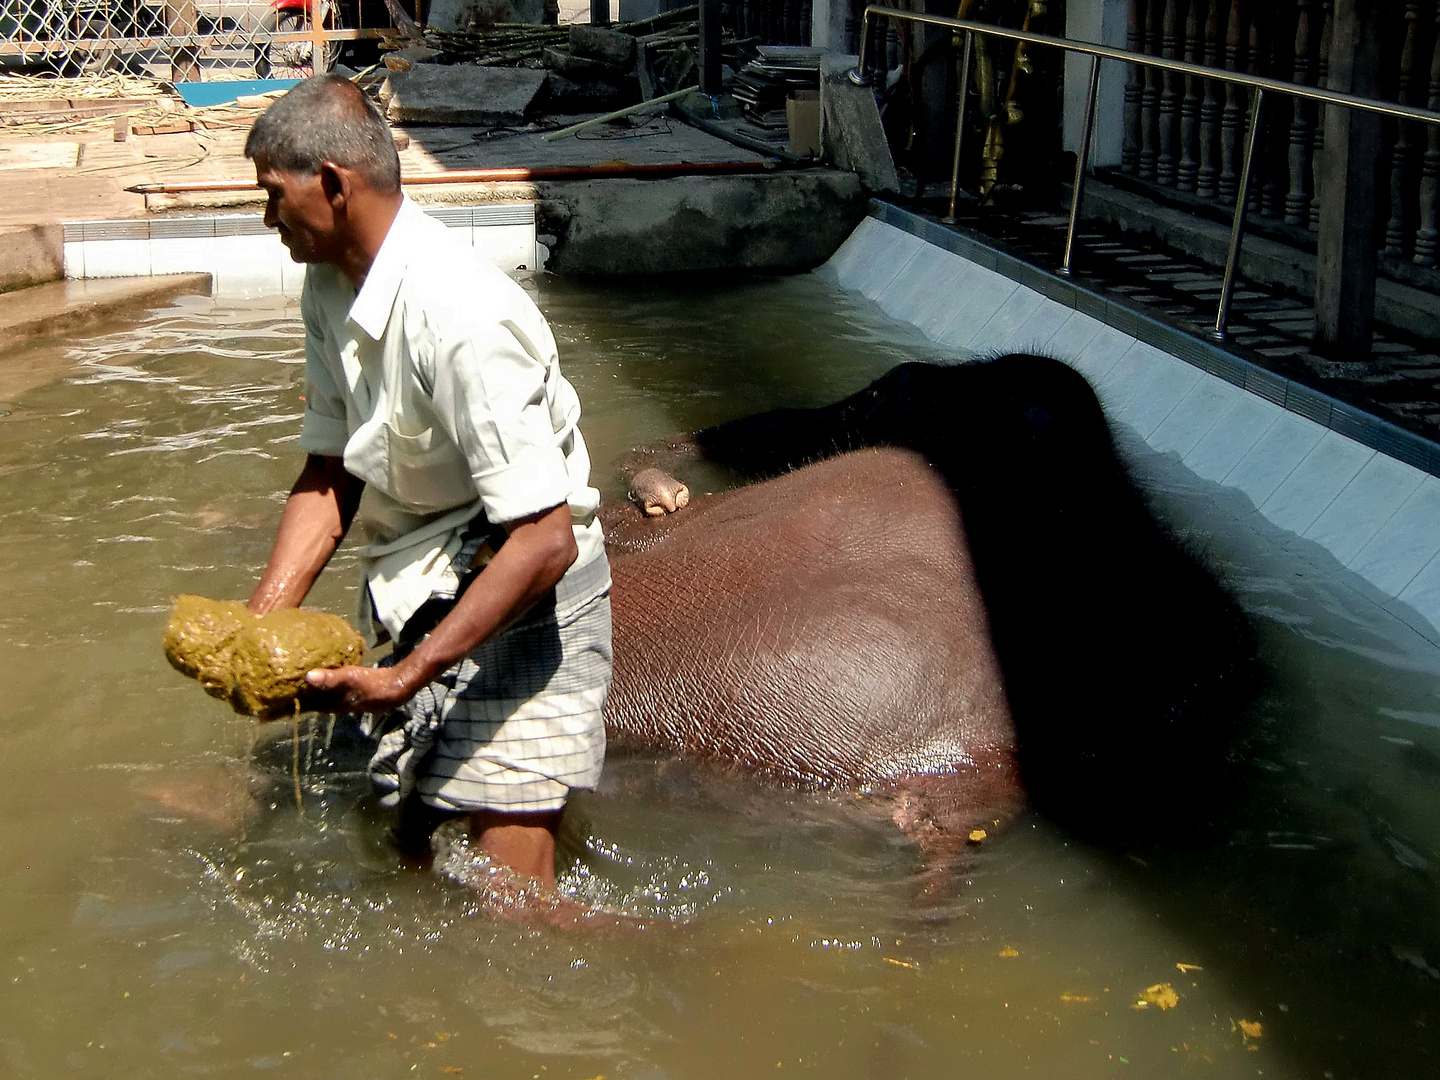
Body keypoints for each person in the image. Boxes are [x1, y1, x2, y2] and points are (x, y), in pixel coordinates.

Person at [242, 76, 612, 891]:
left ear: (333, 186)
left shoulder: (462, 316)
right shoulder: (331, 281)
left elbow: (544, 538)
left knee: (512, 905)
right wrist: (257, 632)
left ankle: (714, 961)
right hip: (426, 580)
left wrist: (405, 677)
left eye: (274, 197)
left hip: (526, 594)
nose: (269, 221)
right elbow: (330, 469)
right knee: (404, 855)